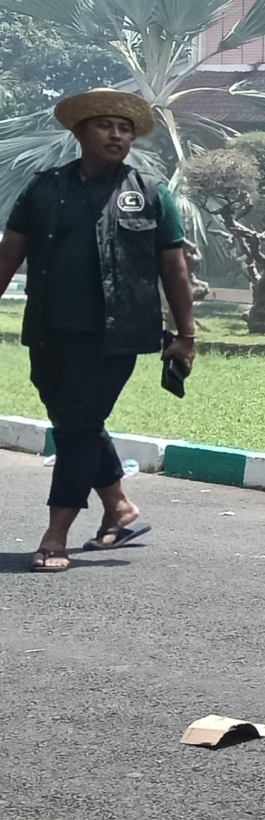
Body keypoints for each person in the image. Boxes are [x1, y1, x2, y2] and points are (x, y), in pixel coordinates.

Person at [0, 89, 195, 570]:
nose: (117, 134)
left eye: (125, 128)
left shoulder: (150, 193)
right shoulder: (42, 189)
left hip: (118, 333)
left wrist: (185, 334)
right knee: (72, 421)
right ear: (80, 132)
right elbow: (8, 254)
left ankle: (55, 534)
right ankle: (120, 510)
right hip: (49, 329)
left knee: (78, 425)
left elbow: (174, 268)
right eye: (106, 125)